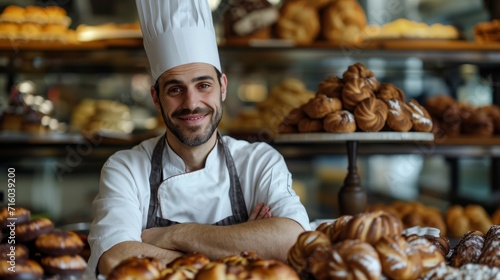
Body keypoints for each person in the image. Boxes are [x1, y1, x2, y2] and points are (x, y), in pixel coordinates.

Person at [87, 0, 311, 276]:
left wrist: (172, 235)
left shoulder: (258, 162)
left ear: (223, 88)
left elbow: (291, 242)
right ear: (156, 98)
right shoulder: (126, 168)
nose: (191, 103)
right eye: (175, 89)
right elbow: (116, 257)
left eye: (203, 85)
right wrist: (246, 248)